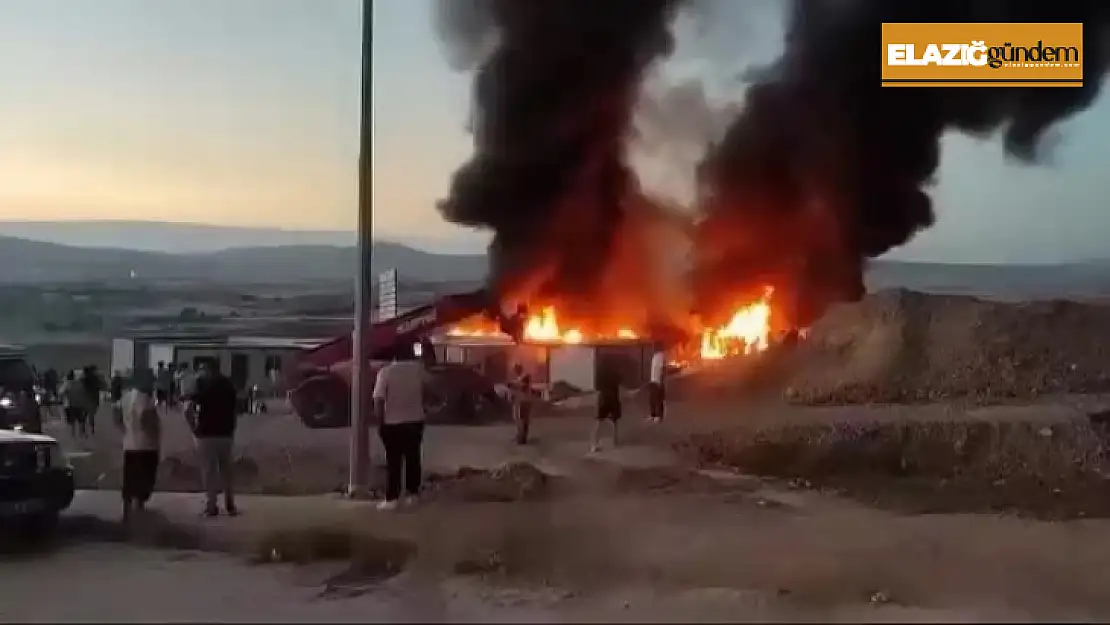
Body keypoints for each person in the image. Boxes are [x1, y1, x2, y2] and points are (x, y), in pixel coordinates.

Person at [371, 341, 431, 511]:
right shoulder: (418, 370)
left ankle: (392, 498)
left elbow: (378, 400)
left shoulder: (386, 372)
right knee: (413, 459)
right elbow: (431, 389)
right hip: (415, 421)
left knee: (393, 462)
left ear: (394, 355)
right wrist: (425, 406)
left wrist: (379, 422)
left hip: (392, 423)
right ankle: (413, 495)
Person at [190, 362, 239, 517]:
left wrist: (193, 427)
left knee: (209, 472)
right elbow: (235, 407)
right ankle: (230, 504)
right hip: (225, 432)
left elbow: (189, 407)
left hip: (206, 433)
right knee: (226, 471)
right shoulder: (228, 383)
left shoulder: (201, 383)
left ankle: (212, 506)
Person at [116, 370, 161, 522]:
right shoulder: (146, 399)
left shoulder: (126, 397)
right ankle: (139, 505)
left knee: (130, 477)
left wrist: (126, 430)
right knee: (146, 477)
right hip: (146, 445)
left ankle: (127, 509)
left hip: (129, 444)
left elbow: (116, 416)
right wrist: (154, 430)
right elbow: (147, 420)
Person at [591, 358, 623, 453]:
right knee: (614, 421)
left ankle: (594, 444)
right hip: (613, 398)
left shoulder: (600, 373)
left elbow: (597, 387)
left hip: (603, 398)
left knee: (599, 422)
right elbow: (619, 382)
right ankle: (614, 441)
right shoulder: (615, 373)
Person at [509, 363, 534, 445]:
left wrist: (514, 385)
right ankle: (521, 437)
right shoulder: (519, 378)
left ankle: (522, 438)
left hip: (524, 401)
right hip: (522, 401)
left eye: (516, 369)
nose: (515, 371)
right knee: (521, 420)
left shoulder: (525, 376)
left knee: (523, 420)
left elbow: (523, 386)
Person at [61, 371, 87, 439]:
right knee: (81, 420)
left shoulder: (67, 384)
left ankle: (73, 434)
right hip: (80, 404)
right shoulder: (81, 384)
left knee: (72, 421)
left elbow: (60, 392)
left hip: (70, 404)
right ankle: (81, 434)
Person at [647, 343, 667, 423]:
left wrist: (661, 381)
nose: (653, 348)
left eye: (654, 346)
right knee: (652, 399)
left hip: (658, 381)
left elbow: (662, 369)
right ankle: (653, 415)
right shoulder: (654, 356)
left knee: (658, 399)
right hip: (653, 380)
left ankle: (659, 416)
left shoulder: (661, 356)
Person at [81, 365, 103, 436]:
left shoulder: (84, 379)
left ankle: (84, 429)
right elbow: (102, 386)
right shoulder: (96, 379)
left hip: (86, 399)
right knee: (91, 415)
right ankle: (91, 429)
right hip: (93, 399)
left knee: (85, 415)